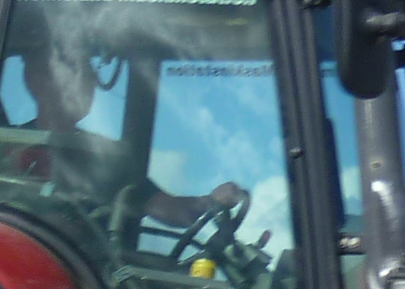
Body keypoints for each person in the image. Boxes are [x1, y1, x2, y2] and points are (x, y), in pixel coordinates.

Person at [15, 39, 244, 229]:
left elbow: (164, 207)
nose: (88, 83)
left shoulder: (105, 157)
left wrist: (210, 201)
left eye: (88, 74)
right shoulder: (3, 147)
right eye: (74, 72)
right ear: (34, 78)